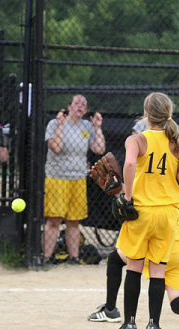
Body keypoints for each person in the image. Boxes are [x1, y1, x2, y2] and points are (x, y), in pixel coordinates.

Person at [114, 92, 179, 329]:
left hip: (142, 212)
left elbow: (128, 165)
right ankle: (154, 326)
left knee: (134, 267)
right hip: (168, 214)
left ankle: (129, 323)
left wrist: (127, 197)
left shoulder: (136, 139)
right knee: (158, 270)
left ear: (146, 114)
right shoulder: (178, 142)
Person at [43, 94, 106, 265]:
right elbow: (56, 147)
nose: (81, 106)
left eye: (84, 104)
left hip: (78, 178)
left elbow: (99, 149)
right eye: (77, 103)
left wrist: (98, 127)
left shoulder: (87, 126)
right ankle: (47, 257)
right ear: (69, 106)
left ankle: (74, 258)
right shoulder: (55, 124)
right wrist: (61, 126)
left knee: (74, 220)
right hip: (57, 177)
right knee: (54, 219)